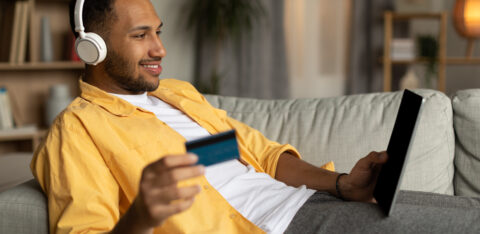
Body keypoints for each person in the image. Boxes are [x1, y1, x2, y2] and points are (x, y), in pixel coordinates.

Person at [31, 0, 480, 233]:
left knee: (470, 211)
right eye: (140, 35)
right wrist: (142, 217)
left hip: (312, 204)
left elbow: (259, 155)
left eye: (158, 33)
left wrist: (343, 184)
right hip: (279, 228)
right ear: (92, 48)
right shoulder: (79, 130)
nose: (159, 49)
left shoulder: (177, 96)